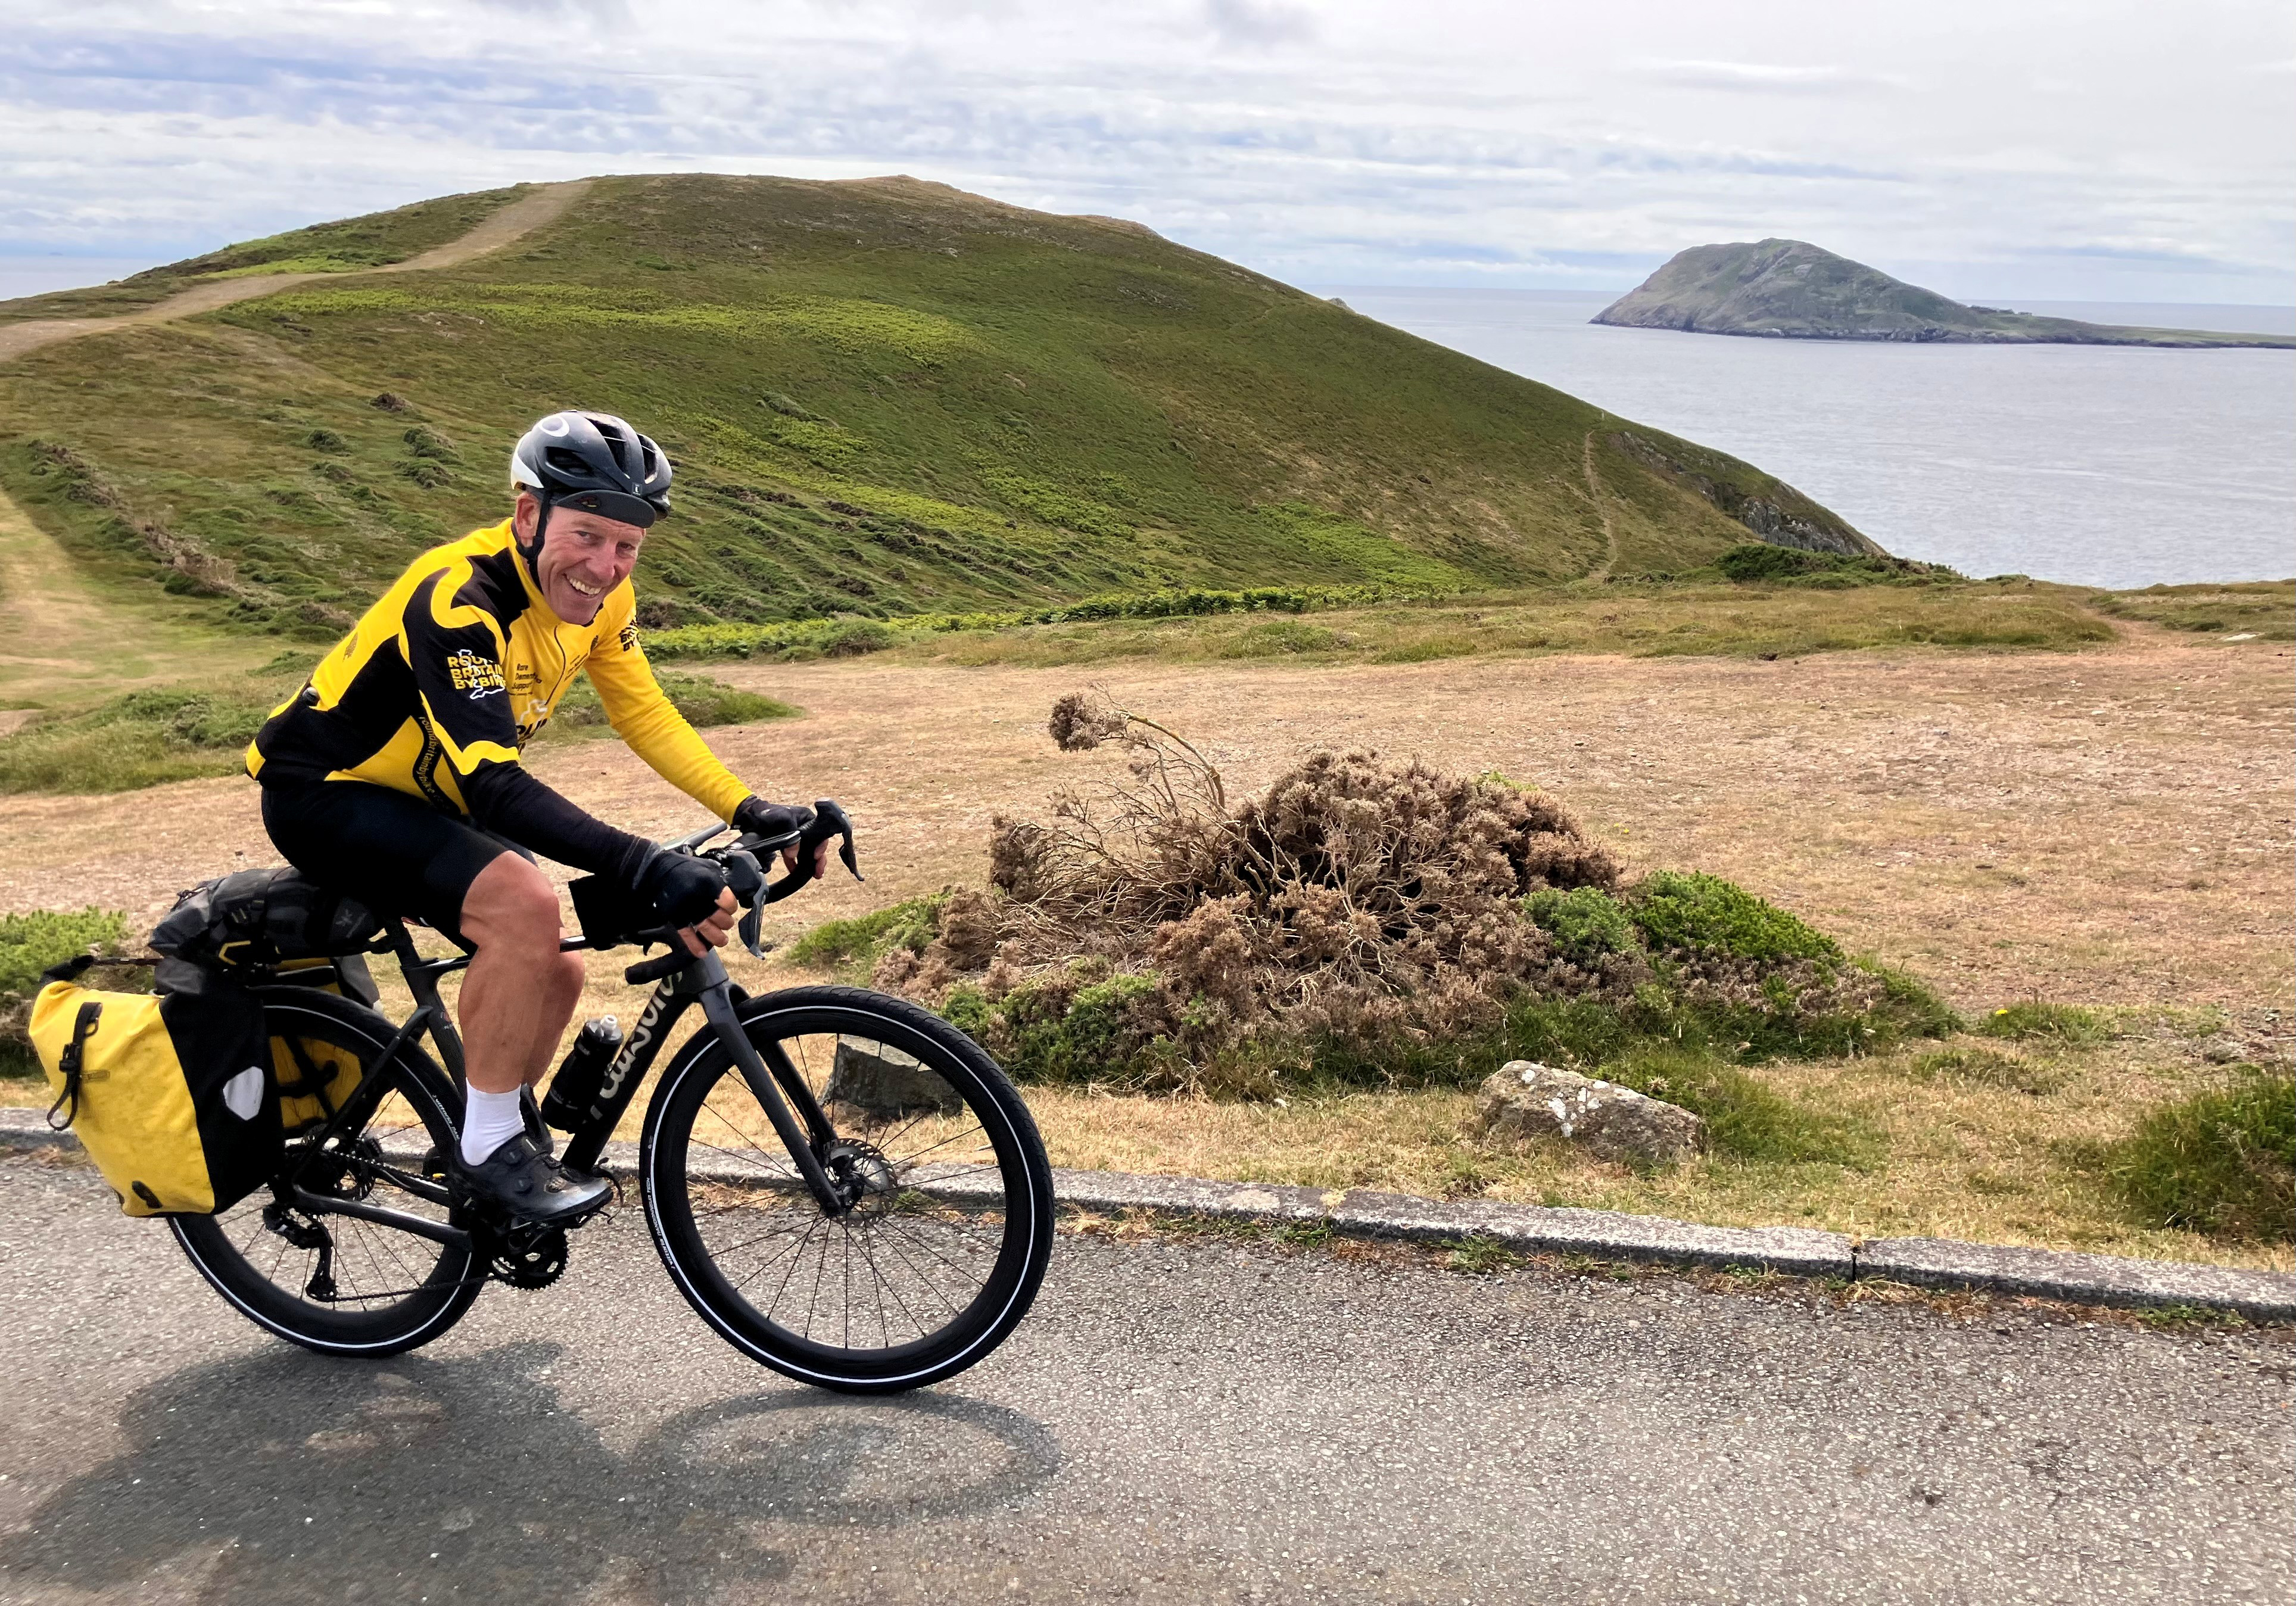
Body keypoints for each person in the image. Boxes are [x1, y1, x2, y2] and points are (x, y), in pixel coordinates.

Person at [245, 409, 824, 1223]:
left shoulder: (605, 603)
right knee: (525, 908)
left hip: (427, 794)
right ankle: (483, 1152)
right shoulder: (460, 602)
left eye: (627, 547)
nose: (605, 566)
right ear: (528, 514)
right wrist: (647, 865)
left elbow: (647, 715)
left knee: (559, 962)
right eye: (587, 536)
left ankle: (499, 1134)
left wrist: (750, 806)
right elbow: (493, 787)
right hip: (324, 792)